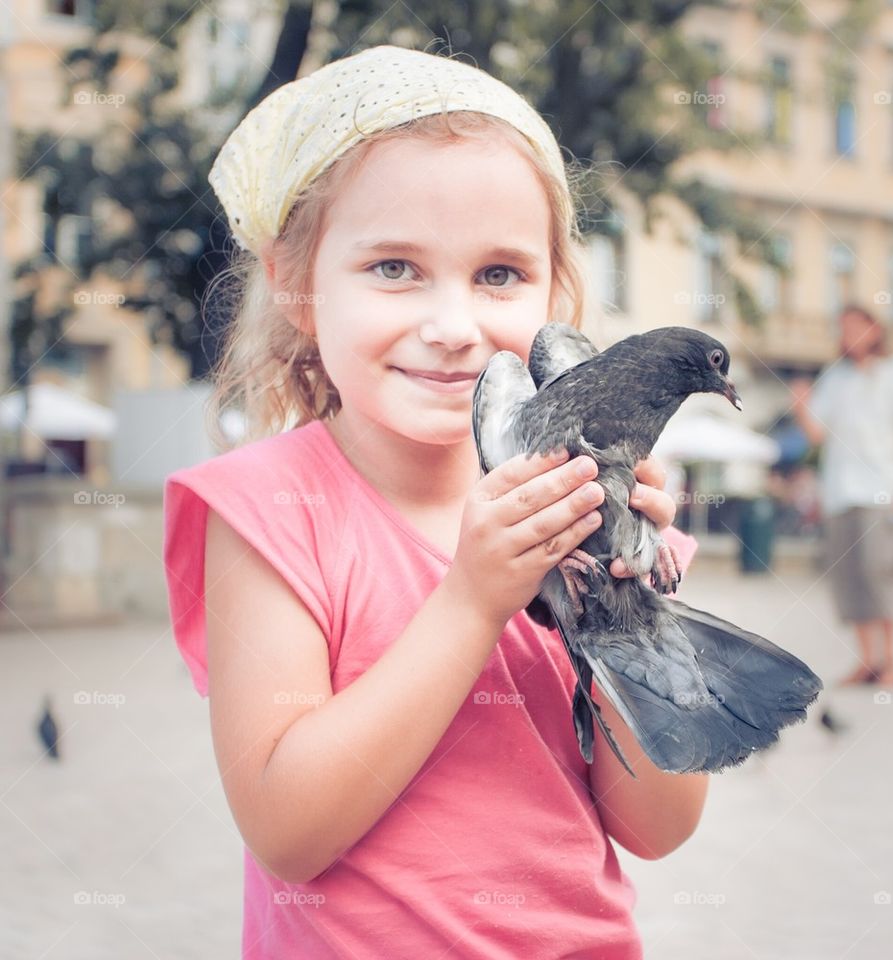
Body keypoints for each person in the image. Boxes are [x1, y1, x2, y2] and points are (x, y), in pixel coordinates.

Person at [162, 45, 705, 959]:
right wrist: (472, 600)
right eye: (394, 268)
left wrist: (624, 599)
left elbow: (660, 823)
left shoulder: (582, 504)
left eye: (499, 275)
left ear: (554, 294)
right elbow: (289, 831)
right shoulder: (267, 510)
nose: (453, 326)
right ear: (297, 284)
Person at [791, 303, 893, 689]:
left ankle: (891, 660)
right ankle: (867, 661)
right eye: (843, 328)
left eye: (855, 327)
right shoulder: (836, 378)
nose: (849, 335)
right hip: (839, 493)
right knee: (848, 578)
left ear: (875, 329)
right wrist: (801, 406)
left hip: (881, 492)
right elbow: (816, 434)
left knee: (877, 573)